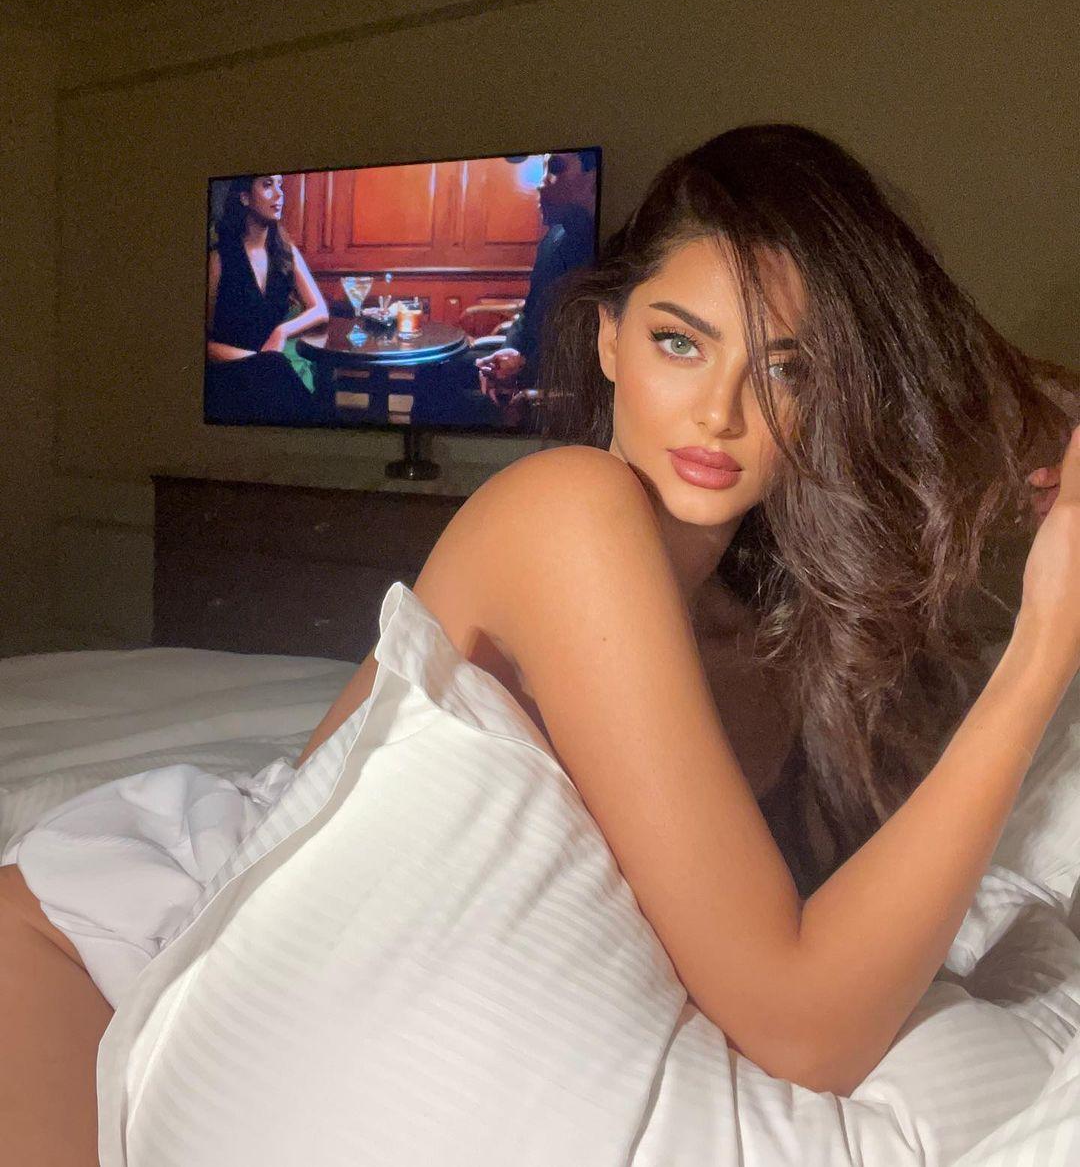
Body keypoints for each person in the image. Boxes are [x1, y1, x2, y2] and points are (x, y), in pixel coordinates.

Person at [1, 124, 1076, 1163]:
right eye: (679, 342)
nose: (721, 412)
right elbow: (801, 1024)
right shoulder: (567, 510)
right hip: (102, 949)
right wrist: (1040, 655)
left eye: (789, 371)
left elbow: (811, 966)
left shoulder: (775, 643)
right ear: (608, 339)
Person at [411, 149, 598, 428]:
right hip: (526, 365)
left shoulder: (606, 252)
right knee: (433, 368)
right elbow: (528, 314)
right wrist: (508, 351)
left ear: (593, 178)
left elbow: (589, 354)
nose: (541, 183)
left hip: (560, 385)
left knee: (445, 401)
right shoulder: (553, 239)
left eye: (556, 168)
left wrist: (522, 367)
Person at [205, 174, 329, 425]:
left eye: (280, 185)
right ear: (245, 197)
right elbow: (204, 343)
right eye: (267, 185)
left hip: (271, 368)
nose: (279, 193)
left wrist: (281, 331)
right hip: (230, 368)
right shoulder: (219, 258)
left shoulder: (285, 251)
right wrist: (256, 359)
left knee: (275, 372)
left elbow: (320, 310)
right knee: (274, 370)